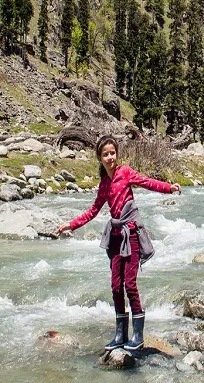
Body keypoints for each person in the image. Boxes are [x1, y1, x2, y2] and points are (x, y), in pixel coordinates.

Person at [57, 135, 181, 352]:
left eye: (112, 153)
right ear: (100, 157)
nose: (110, 157)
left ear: (117, 154)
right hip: (115, 237)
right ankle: (120, 334)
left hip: (131, 235)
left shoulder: (125, 172)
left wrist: (169, 187)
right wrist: (72, 225)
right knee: (116, 287)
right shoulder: (104, 183)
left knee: (130, 285)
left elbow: (147, 182)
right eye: (105, 154)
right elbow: (94, 210)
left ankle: (138, 335)